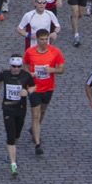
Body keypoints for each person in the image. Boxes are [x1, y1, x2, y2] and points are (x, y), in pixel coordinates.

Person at [23, 28, 65, 156]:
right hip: (34, 88)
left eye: (46, 39)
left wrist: (52, 70)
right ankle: (37, 144)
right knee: (35, 115)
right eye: (41, 39)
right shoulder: (30, 52)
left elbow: (62, 69)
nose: (44, 42)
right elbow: (25, 65)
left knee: (42, 111)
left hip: (48, 88)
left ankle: (34, 129)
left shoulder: (55, 52)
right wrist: (29, 74)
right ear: (37, 40)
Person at [0, 54, 36, 177]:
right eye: (14, 66)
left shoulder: (26, 76)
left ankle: (11, 151)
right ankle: (13, 164)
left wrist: (27, 92)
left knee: (17, 133)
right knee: (11, 135)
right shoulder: (5, 74)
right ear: (10, 65)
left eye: (18, 66)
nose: (16, 69)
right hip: (8, 108)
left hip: (21, 109)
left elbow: (34, 86)